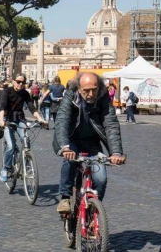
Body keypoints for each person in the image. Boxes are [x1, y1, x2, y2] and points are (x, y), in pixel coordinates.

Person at [54, 72, 126, 213]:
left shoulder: (103, 97)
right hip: (71, 139)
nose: (91, 94)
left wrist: (116, 152)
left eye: (94, 89)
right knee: (69, 162)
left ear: (99, 87)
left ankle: (93, 209)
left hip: (92, 141)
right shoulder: (70, 95)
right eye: (86, 90)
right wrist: (65, 147)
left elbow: (110, 123)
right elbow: (62, 120)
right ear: (79, 89)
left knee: (101, 179)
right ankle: (65, 197)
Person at [0, 74, 48, 184]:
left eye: (23, 82)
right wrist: (1, 120)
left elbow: (31, 107)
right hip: (7, 120)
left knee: (26, 139)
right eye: (18, 81)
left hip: (20, 119)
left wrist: (40, 119)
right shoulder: (7, 91)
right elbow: (2, 106)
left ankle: (28, 162)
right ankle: (5, 169)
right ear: (13, 81)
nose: (21, 84)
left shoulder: (25, 93)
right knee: (11, 146)